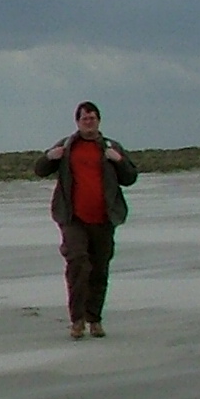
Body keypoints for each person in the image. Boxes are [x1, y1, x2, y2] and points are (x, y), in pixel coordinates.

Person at [32, 101, 137, 340]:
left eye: (92, 118)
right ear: (77, 122)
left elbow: (130, 177)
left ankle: (95, 319)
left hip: (104, 218)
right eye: (84, 118)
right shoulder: (67, 146)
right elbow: (40, 170)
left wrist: (119, 160)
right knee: (78, 263)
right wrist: (49, 157)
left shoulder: (111, 147)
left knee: (99, 269)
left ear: (98, 121)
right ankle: (77, 320)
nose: (88, 122)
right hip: (73, 218)